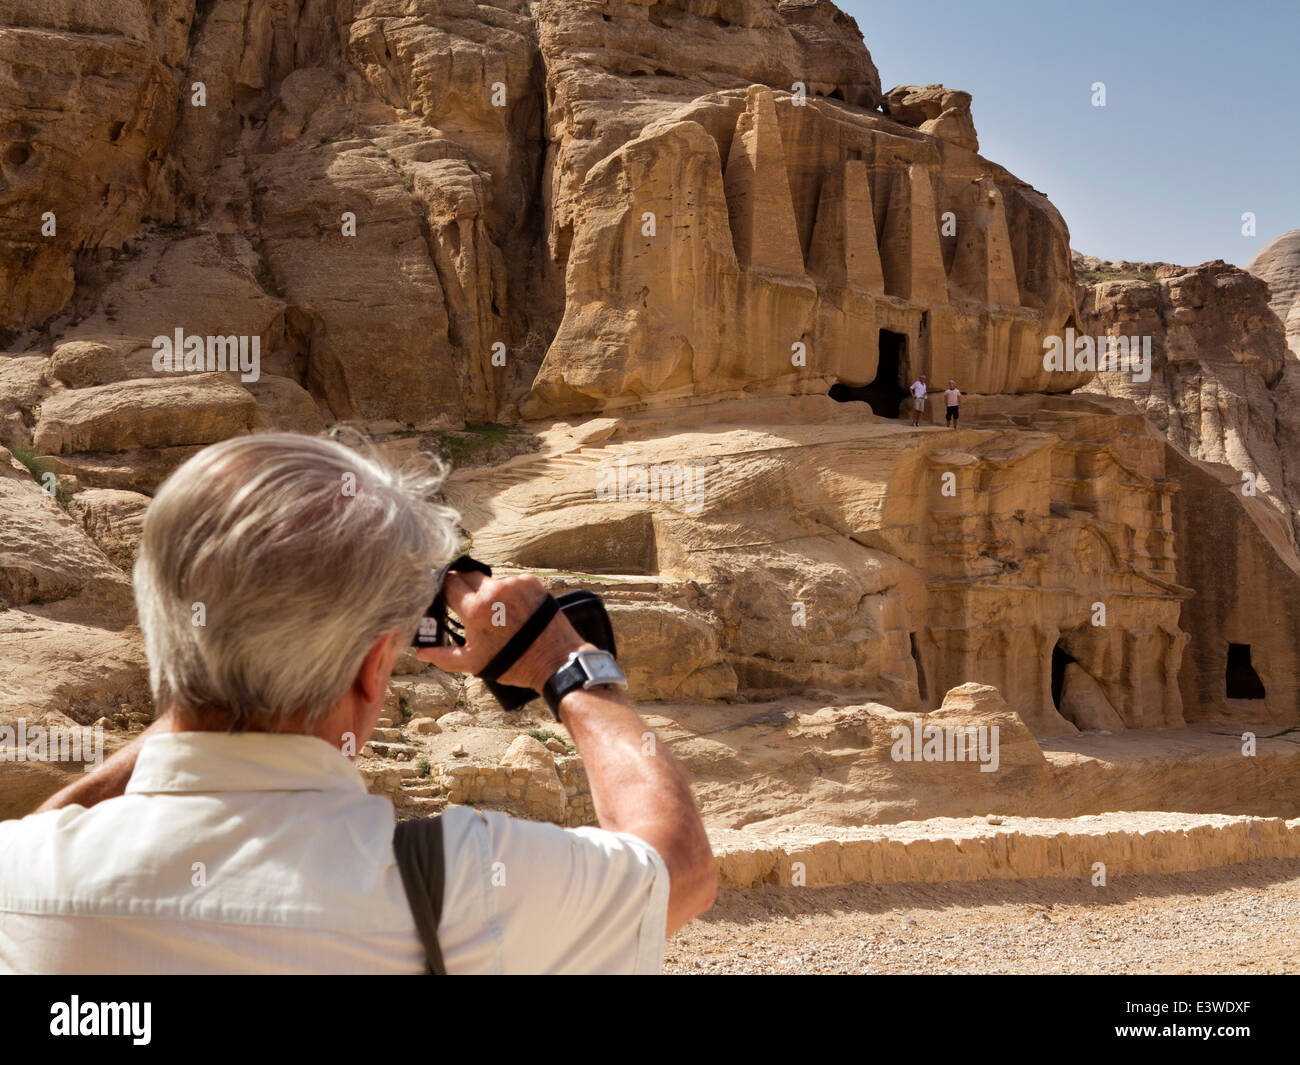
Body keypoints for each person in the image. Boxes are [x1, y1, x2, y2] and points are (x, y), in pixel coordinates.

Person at [0, 432, 716, 974]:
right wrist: (565, 663)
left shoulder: (24, 875)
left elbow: (43, 836)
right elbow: (678, 865)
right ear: (377, 666)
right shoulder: (453, 884)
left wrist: (202, 682)